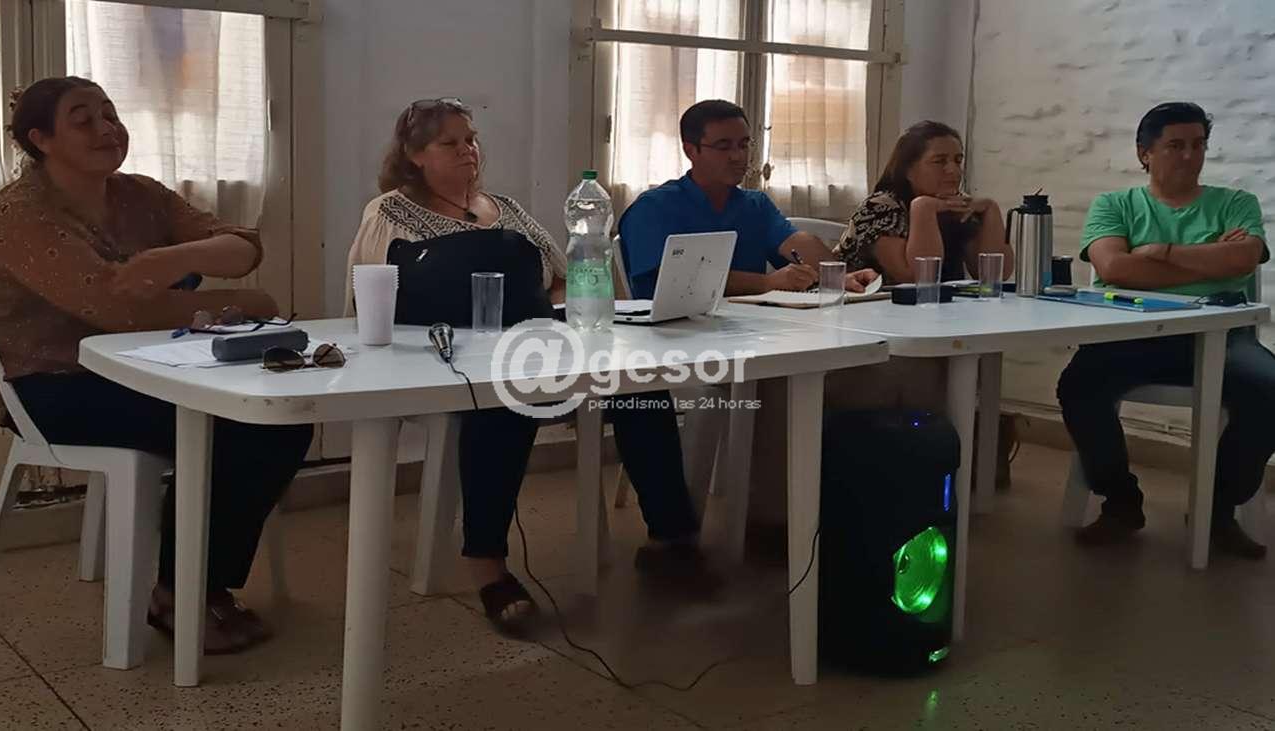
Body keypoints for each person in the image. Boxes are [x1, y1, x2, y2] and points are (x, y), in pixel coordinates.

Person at [346, 98, 709, 636]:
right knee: (505, 400)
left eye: (471, 139)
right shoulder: (391, 213)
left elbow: (562, 277)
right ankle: (488, 567)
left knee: (639, 384)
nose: (468, 150)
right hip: (449, 361)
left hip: (538, 345)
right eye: (450, 142)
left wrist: (560, 309)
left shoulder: (506, 208)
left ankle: (670, 539)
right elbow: (379, 299)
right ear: (415, 154)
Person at [0, 77, 312, 652]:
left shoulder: (140, 194)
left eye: (110, 114)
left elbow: (243, 245)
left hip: (157, 366)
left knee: (281, 411)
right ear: (41, 140)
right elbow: (118, 310)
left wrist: (176, 257)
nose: (107, 129)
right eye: (83, 120)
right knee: (234, 423)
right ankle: (183, 594)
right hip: (55, 386)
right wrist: (250, 303)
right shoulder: (21, 214)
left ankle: (199, 582)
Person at [1057, 102, 1274, 559]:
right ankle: (1121, 501)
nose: (1190, 155)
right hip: (1134, 334)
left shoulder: (1236, 203)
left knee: (1269, 387)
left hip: (1221, 334)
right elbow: (1114, 268)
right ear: (1145, 153)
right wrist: (1210, 260)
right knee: (1079, 384)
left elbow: (1243, 258)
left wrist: (1162, 252)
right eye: (1176, 145)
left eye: (1198, 144)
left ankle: (1216, 509)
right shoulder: (1115, 205)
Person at [618, 99, 878, 299]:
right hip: (670, 333)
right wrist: (766, 283)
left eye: (744, 145)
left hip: (748, 327)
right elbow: (671, 281)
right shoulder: (654, 208)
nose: (738, 156)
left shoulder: (754, 205)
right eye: (723, 147)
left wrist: (838, 276)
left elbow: (796, 243)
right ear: (691, 151)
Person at [836, 120, 1013, 284]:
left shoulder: (957, 205)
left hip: (944, 304)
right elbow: (920, 279)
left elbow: (994, 276)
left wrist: (990, 208)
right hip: (872, 303)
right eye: (939, 161)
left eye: (957, 161)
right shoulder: (880, 207)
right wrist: (924, 207)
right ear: (908, 169)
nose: (953, 170)